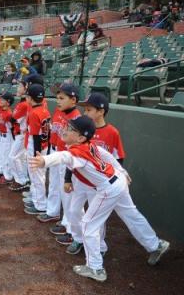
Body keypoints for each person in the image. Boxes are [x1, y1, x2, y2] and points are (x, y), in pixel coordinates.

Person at [28, 116, 170, 282]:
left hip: (108, 188)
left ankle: (95, 268)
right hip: (117, 181)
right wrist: (122, 172)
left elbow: (63, 157)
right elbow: (108, 156)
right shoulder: (88, 144)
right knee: (131, 214)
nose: (65, 129)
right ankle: (156, 245)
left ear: (81, 137)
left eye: (71, 129)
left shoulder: (77, 152)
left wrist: (45, 160)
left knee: (88, 224)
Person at [64, 92, 126, 256]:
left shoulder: (112, 132)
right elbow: (71, 157)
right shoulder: (80, 131)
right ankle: (78, 238)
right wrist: (67, 178)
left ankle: (99, 245)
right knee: (73, 211)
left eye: (89, 109)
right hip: (79, 180)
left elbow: (117, 159)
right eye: (85, 109)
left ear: (101, 111)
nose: (85, 112)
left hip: (98, 183)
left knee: (97, 218)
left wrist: (119, 176)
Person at [36, 84, 81, 246]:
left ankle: (69, 225)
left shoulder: (76, 117)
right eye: (57, 97)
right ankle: (53, 212)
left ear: (74, 100)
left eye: (62, 98)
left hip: (67, 156)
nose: (58, 101)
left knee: (67, 192)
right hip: (55, 151)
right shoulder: (58, 111)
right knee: (54, 185)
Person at [23, 84, 51, 215]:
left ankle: (40, 205)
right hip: (44, 146)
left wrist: (36, 155)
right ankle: (37, 200)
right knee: (39, 176)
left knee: (36, 176)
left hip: (36, 147)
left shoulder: (34, 113)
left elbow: (36, 137)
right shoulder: (45, 110)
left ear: (30, 98)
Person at [8, 81, 31, 191]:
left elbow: (13, 119)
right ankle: (24, 179)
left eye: (20, 86)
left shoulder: (24, 104)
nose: (17, 88)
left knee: (13, 157)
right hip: (21, 134)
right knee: (21, 158)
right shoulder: (22, 103)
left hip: (22, 134)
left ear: (26, 88)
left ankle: (21, 180)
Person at [0, 93, 15, 185]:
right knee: (2, 155)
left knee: (6, 156)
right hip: (2, 136)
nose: (0, 101)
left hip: (8, 137)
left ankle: (8, 176)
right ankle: (5, 173)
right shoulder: (1, 110)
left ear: (8, 102)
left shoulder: (9, 114)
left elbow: (11, 129)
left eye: (3, 100)